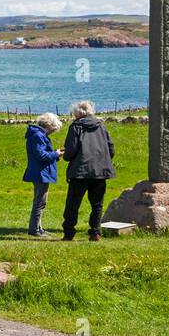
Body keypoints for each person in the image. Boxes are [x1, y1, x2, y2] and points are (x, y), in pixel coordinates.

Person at [60, 101, 116, 242]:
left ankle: (69, 232)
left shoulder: (76, 126)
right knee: (97, 204)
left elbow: (71, 149)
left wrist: (66, 156)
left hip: (80, 171)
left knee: (73, 204)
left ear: (78, 113)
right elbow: (111, 148)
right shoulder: (101, 126)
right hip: (99, 171)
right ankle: (95, 232)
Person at [23, 112, 63, 237]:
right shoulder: (38, 136)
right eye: (53, 129)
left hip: (41, 172)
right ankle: (34, 230)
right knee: (39, 202)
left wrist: (55, 155)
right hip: (40, 173)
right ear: (48, 125)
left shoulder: (37, 135)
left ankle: (38, 228)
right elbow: (41, 155)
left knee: (41, 202)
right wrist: (56, 154)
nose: (53, 132)